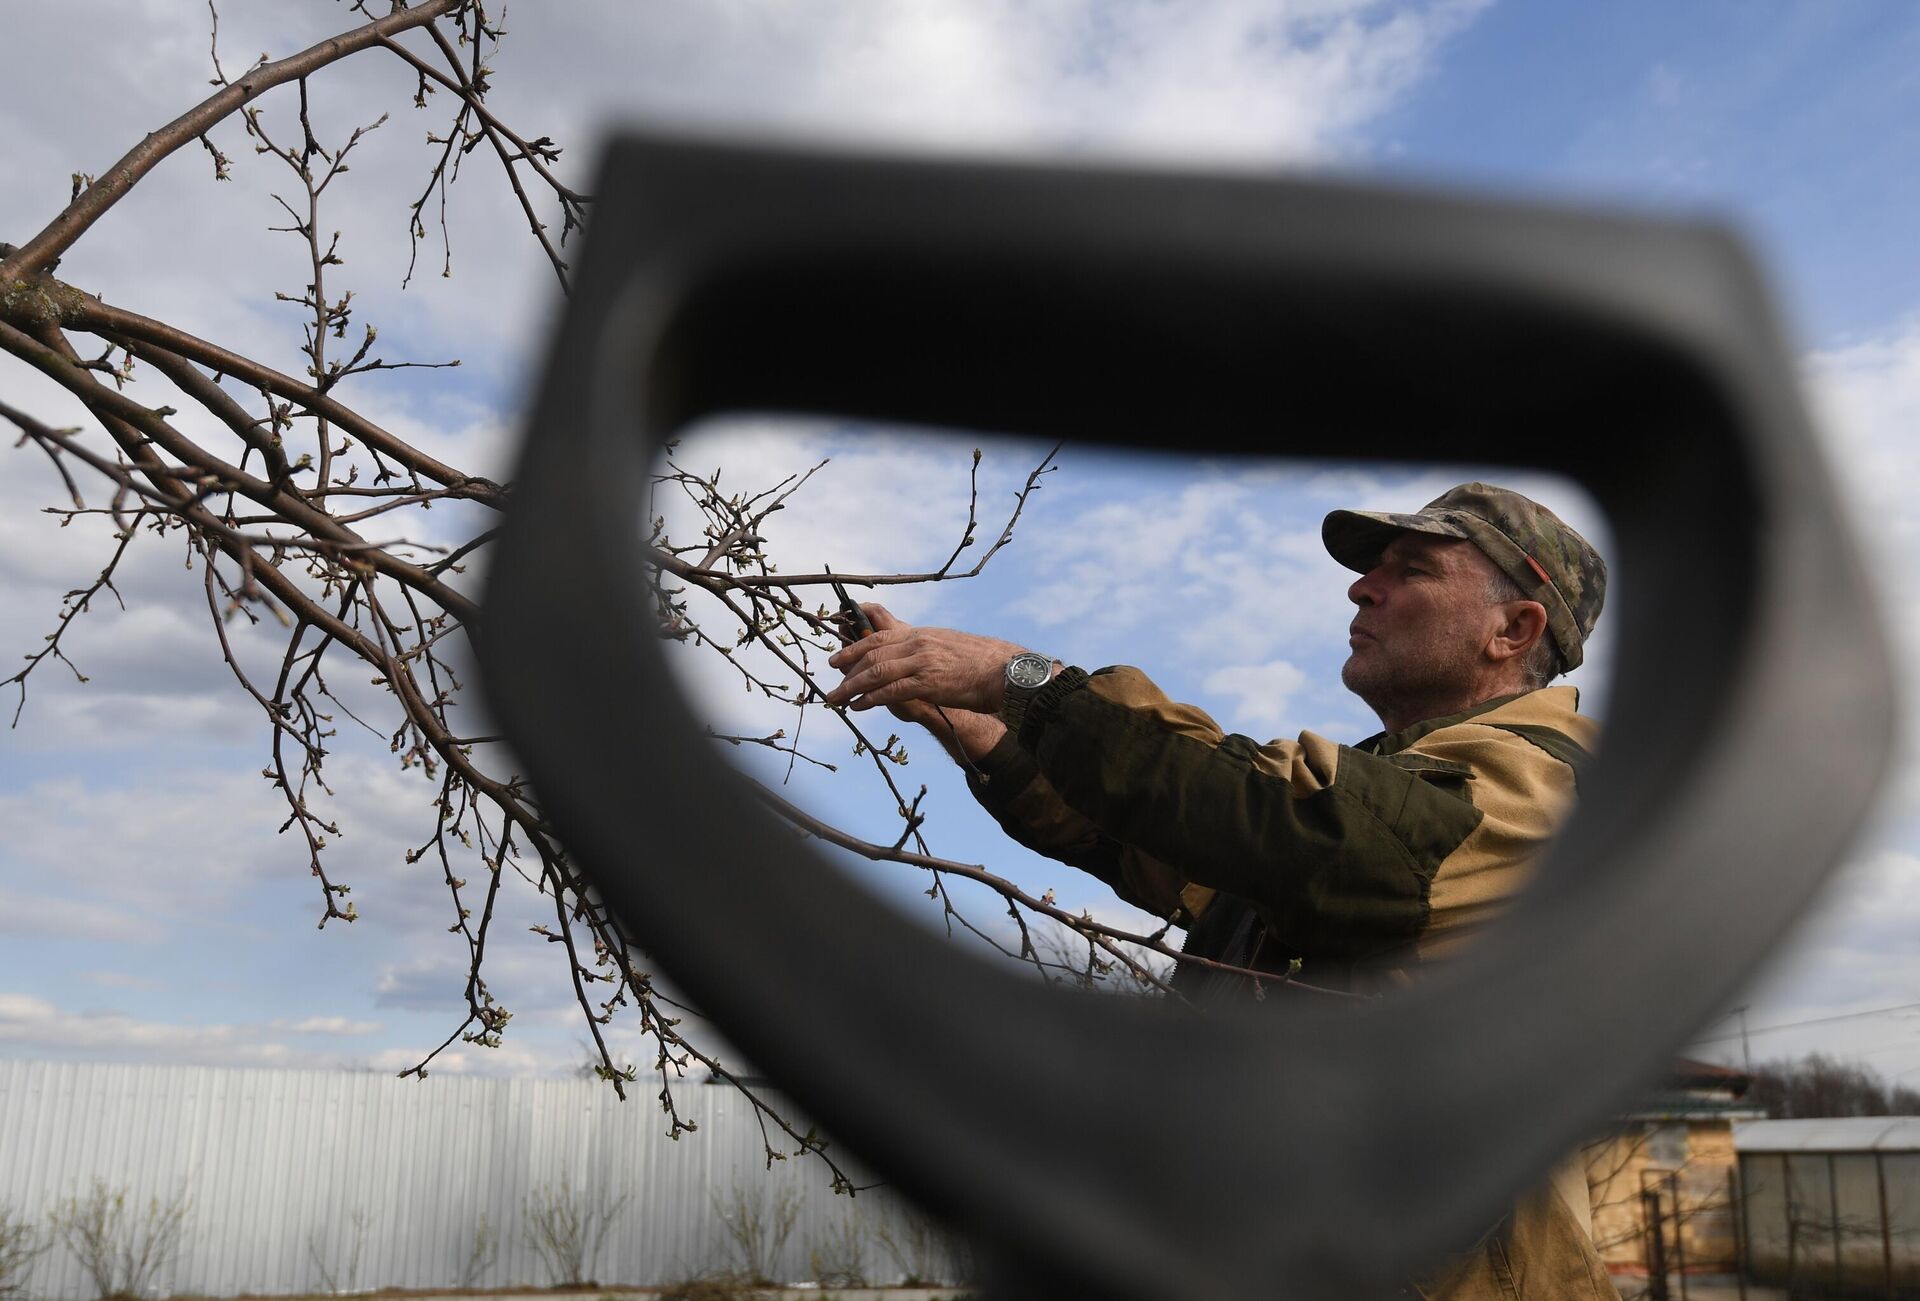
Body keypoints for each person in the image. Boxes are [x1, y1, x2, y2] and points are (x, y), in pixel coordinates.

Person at [826, 481, 1618, 1299]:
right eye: (1372, 569)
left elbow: (1288, 825)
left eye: (1412, 570)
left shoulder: (1544, 784)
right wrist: (970, 719)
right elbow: (1157, 844)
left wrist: (1019, 678)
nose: (1360, 586)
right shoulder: (1375, 801)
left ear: (1513, 628)